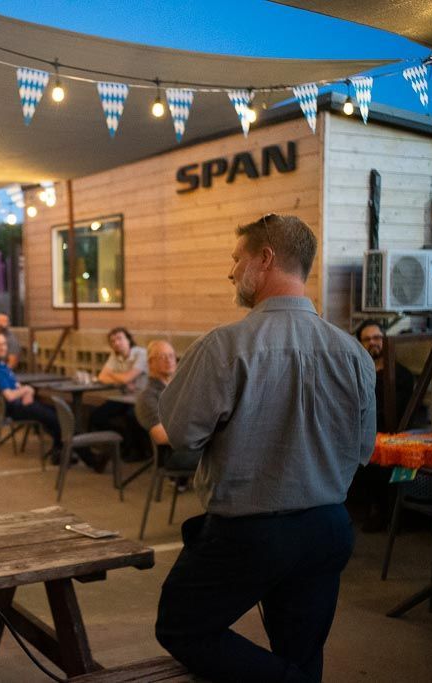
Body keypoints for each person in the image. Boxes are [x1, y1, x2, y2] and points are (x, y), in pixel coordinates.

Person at [154, 214, 376, 683]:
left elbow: (181, 435)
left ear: (265, 258)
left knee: (182, 627)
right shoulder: (354, 352)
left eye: (237, 259)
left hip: (248, 534)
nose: (230, 271)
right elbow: (362, 449)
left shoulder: (224, 346)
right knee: (302, 651)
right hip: (328, 528)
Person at [352, 320, 419, 532]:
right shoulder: (357, 374)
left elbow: (401, 407)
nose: (373, 343)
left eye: (377, 338)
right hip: (363, 432)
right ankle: (374, 510)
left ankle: (389, 512)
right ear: (360, 344)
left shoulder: (401, 374)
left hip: (393, 433)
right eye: (367, 339)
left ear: (385, 340)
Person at [0, 329, 61, 458]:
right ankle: (72, 452)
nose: (1, 347)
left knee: (56, 414)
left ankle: (60, 449)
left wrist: (26, 390)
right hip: (15, 409)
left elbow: (16, 385)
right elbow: (10, 395)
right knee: (57, 417)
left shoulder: (0, 365)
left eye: (3, 344)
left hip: (18, 406)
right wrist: (27, 390)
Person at [134, 341, 201, 482]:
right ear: (150, 362)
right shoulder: (148, 396)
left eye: (171, 356)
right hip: (174, 455)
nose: (169, 360)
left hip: (194, 444)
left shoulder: (179, 388)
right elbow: (162, 436)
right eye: (162, 357)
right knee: (227, 456)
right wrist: (206, 435)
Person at [88, 327, 149, 463]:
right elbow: (102, 376)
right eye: (113, 341)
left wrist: (116, 377)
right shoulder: (115, 356)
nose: (116, 343)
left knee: (131, 415)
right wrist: (121, 378)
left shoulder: (141, 354)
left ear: (128, 340)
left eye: (120, 338)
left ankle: (139, 451)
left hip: (143, 398)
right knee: (97, 416)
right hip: (125, 397)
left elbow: (126, 378)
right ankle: (123, 441)